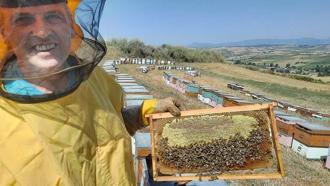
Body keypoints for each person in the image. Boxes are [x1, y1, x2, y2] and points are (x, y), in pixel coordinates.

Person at [0, 0, 184, 185]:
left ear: (71, 27)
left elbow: (109, 125)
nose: (42, 32)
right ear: (5, 33)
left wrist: (143, 113)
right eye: (23, 20)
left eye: (53, 17)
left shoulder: (96, 78)